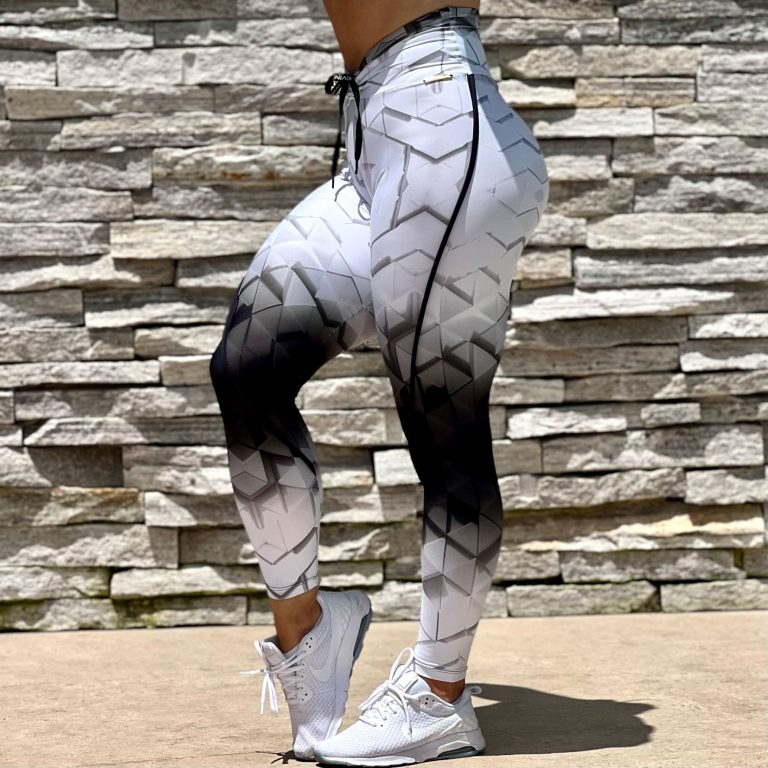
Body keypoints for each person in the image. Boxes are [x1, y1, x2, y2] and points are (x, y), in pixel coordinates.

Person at [209, 1, 550, 764]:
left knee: (444, 421)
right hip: (377, 138)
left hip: (444, 125)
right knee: (248, 369)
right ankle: (310, 630)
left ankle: (439, 697)